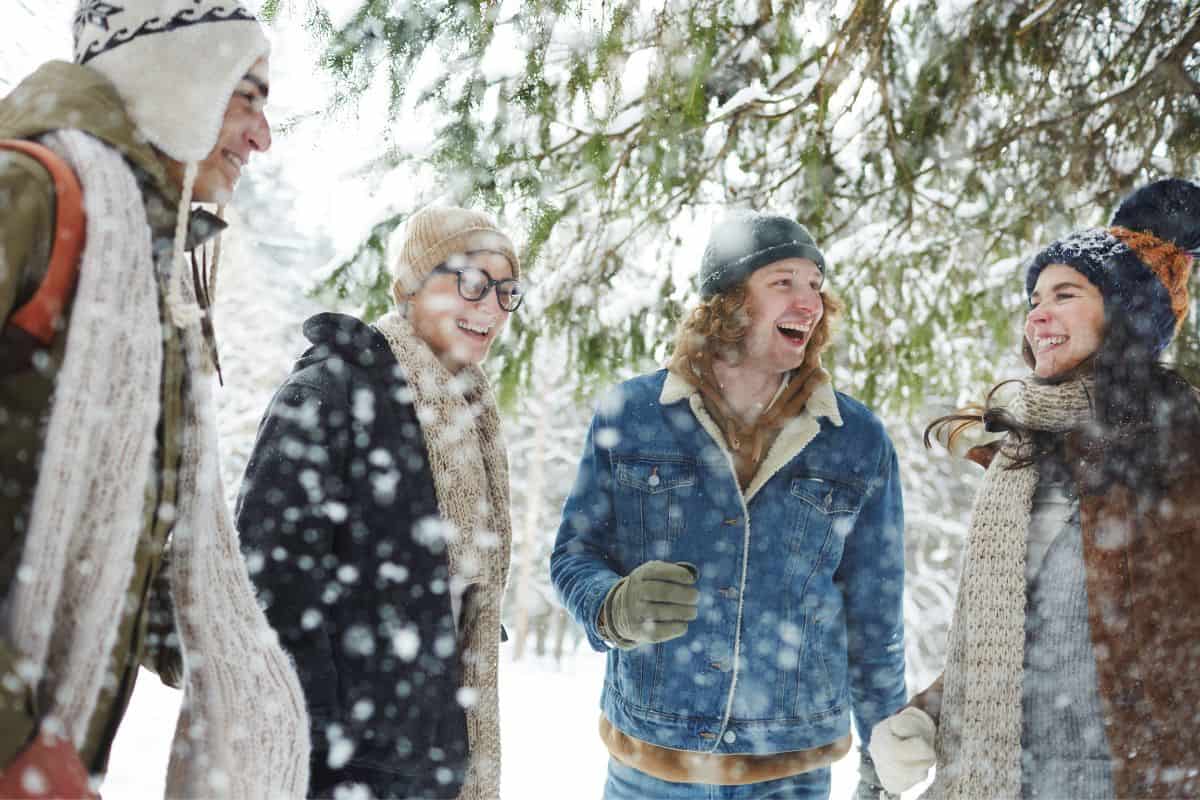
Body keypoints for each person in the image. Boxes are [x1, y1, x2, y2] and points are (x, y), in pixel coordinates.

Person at [0, 1, 310, 797]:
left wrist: (211, 643)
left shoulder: (151, 264)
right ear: (175, 75)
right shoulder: (31, 197)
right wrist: (13, 740)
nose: (261, 137)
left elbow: (119, 509)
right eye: (245, 95)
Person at [550, 211, 907, 799]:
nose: (808, 301)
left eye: (815, 285)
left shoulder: (855, 438)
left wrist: (883, 747)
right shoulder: (634, 414)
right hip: (652, 767)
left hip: (789, 773)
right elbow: (574, 554)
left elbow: (873, 611)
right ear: (729, 300)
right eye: (784, 282)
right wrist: (612, 606)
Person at [869, 178, 1200, 799]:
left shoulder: (1183, 451)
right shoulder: (1021, 460)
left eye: (1064, 294)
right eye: (1033, 299)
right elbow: (1020, 643)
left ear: (1126, 312)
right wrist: (929, 715)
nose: (1036, 314)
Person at [236, 206, 520, 799]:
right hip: (350, 767)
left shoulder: (471, 416)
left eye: (506, 290)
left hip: (435, 757)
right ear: (412, 285)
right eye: (472, 282)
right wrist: (324, 753)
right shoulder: (331, 392)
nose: (491, 307)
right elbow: (271, 590)